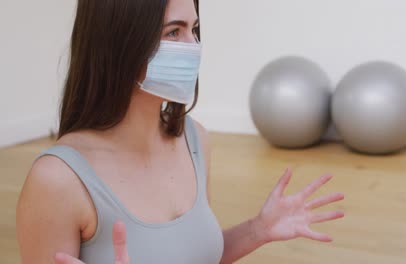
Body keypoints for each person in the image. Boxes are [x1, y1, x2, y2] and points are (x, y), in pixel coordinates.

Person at [16, 0, 345, 263]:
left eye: (195, 29)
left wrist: (259, 229)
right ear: (121, 41)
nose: (193, 47)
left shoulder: (194, 139)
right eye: (174, 32)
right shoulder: (57, 180)